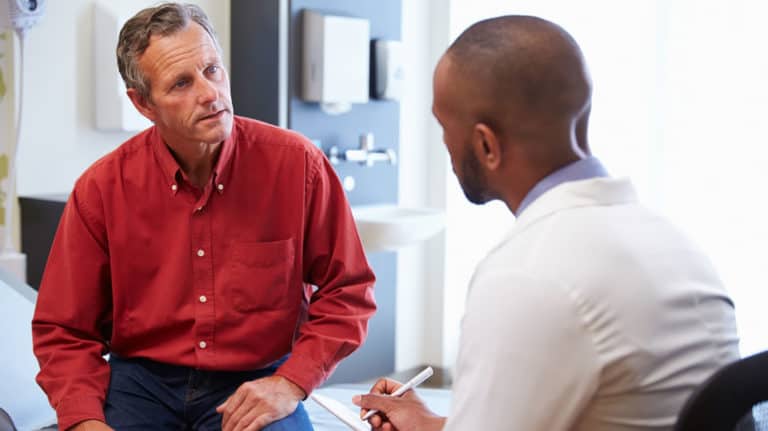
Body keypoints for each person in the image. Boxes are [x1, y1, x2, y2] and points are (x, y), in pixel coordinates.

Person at [353, 15, 740, 431]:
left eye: (445, 127)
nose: (444, 144)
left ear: (486, 145)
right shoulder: (670, 242)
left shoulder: (528, 273)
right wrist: (431, 425)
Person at [32, 3, 376, 431]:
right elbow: (64, 331)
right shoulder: (101, 190)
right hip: (141, 384)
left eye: (212, 70)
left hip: (254, 377)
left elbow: (349, 289)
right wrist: (83, 420)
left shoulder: (298, 165)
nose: (210, 93)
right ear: (143, 104)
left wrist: (291, 383)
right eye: (181, 83)